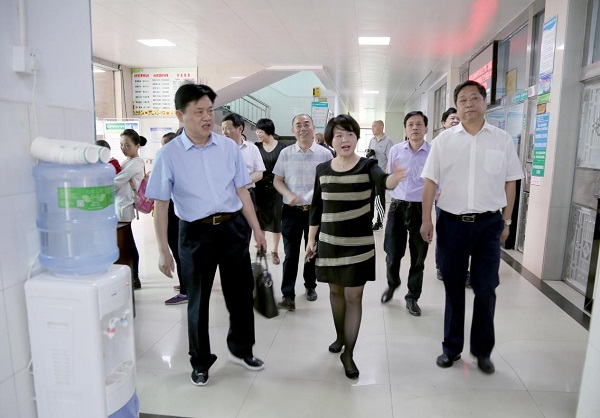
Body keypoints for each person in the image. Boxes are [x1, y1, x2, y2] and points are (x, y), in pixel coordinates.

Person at [145, 84, 267, 386]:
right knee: (197, 300)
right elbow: (161, 205)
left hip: (232, 227)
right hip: (195, 233)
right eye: (198, 111)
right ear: (180, 115)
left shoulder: (228, 147)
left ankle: (243, 349)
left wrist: (256, 229)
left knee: (240, 294)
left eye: (210, 110)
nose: (207, 117)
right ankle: (200, 361)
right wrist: (163, 250)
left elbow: (242, 190)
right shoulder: (168, 155)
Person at [420, 80, 523, 375]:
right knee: (453, 287)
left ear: (484, 102)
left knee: (486, 288)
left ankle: (482, 351)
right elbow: (430, 182)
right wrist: (427, 219)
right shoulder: (443, 141)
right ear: (456, 106)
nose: (469, 104)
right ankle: (451, 348)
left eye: (474, 98)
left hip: (489, 224)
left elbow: (511, 182)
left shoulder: (502, 139)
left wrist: (506, 221)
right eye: (463, 100)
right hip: (452, 223)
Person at [305, 114, 406, 380]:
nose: (344, 139)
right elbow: (316, 207)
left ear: (357, 138)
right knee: (335, 292)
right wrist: (311, 240)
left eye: (349, 134)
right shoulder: (322, 169)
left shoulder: (367, 165)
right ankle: (340, 337)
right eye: (338, 135)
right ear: (331, 140)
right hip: (330, 243)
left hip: (359, 245)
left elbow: (383, 181)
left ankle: (348, 353)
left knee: (354, 296)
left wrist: (394, 179)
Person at [273, 114, 333, 311]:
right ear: (293, 131)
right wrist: (287, 194)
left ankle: (310, 285)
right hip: (291, 212)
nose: (303, 128)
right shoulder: (286, 153)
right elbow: (277, 180)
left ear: (314, 127)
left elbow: (330, 182)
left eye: (307, 124)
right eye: (298, 125)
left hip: (316, 212)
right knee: (290, 254)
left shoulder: (325, 154)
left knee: (312, 251)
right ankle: (287, 294)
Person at [380, 111, 431, 317]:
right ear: (405, 129)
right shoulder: (395, 150)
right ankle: (392, 284)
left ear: (426, 128)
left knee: (418, 257)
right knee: (392, 254)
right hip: (397, 208)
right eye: (410, 124)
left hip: (421, 208)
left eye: (419, 124)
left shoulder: (433, 152)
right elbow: (389, 178)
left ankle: (412, 296)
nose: (415, 128)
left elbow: (436, 181)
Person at [114, 129, 146, 289]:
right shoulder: (127, 162)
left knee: (126, 245)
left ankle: (134, 278)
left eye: (127, 145)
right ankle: (133, 277)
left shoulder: (136, 163)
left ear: (137, 145)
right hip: (121, 206)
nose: (123, 148)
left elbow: (116, 182)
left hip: (124, 207)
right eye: (121, 145)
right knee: (126, 243)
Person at [159, 132, 188, 305]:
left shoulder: (174, 162)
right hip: (177, 212)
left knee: (179, 253)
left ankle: (186, 291)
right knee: (181, 253)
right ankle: (186, 285)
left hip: (175, 213)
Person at [254, 118, 287, 265]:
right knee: (260, 220)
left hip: (277, 189)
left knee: (276, 220)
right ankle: (262, 247)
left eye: (260, 131)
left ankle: (274, 250)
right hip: (259, 188)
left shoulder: (282, 148)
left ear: (268, 131)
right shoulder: (256, 147)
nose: (258, 134)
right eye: (257, 131)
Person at [435, 107, 461, 282]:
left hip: (463, 197)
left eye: (458, 118)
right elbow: (430, 172)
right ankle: (442, 267)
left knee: (462, 234)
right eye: (452, 118)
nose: (456, 121)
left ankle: (461, 269)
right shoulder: (438, 143)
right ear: (443, 123)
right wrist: (436, 192)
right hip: (443, 197)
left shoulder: (468, 141)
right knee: (444, 233)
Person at [221, 112, 266, 209]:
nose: (224, 133)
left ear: (240, 128)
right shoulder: (218, 150)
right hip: (226, 197)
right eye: (223, 129)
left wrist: (241, 183)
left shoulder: (252, 148)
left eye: (228, 128)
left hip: (247, 194)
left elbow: (259, 173)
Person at [368, 120, 393, 230]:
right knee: (370, 198)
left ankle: (379, 221)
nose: (372, 128)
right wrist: (370, 154)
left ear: (381, 127)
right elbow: (369, 156)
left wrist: (386, 176)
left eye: (374, 126)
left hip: (381, 174)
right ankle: (369, 220)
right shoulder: (372, 140)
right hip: (371, 174)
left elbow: (390, 159)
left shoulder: (388, 141)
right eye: (372, 126)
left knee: (379, 199)